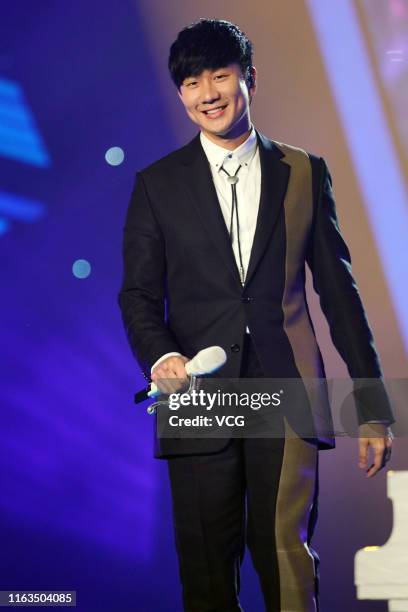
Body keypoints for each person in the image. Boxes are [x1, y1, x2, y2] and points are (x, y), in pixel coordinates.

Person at [118, 18, 394, 612]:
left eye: (221, 75)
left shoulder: (303, 173)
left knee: (286, 554)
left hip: (285, 390)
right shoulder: (156, 185)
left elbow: (340, 296)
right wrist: (163, 356)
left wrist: (371, 410)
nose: (208, 93)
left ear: (249, 78)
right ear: (182, 95)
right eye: (193, 83)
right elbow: (137, 295)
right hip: (197, 393)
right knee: (207, 564)